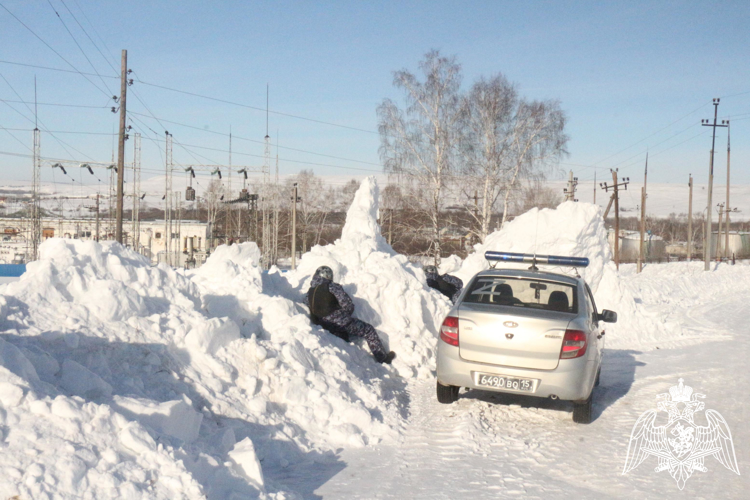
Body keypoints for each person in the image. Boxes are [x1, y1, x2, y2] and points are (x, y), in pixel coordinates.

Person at [306, 266, 396, 364]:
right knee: (368, 330)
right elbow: (347, 304)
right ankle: (382, 358)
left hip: (324, 325)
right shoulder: (332, 286)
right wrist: (344, 316)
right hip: (340, 322)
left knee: (343, 340)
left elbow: (308, 305)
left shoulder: (310, 291)